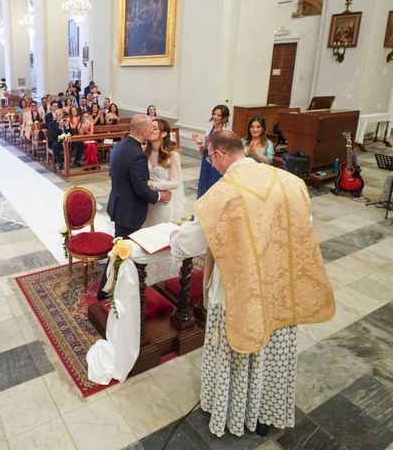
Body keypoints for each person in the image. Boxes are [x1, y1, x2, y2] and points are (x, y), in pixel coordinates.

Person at [169, 131, 335, 437]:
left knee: (239, 352)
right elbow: (304, 226)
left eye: (210, 158)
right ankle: (265, 412)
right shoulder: (289, 182)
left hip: (239, 293)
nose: (212, 164)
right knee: (273, 353)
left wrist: (173, 237)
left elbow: (192, 241)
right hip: (280, 287)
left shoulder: (223, 194)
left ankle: (233, 414)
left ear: (219, 154)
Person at [99, 114, 172, 299]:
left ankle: (117, 286)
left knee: (120, 246)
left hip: (118, 204)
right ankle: (105, 290)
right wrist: (158, 195)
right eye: (150, 128)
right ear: (144, 131)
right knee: (121, 251)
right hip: (129, 210)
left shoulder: (119, 146)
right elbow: (140, 189)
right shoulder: (137, 155)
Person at [142, 118, 185, 226]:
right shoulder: (144, 151)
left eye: (154, 128)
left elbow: (175, 183)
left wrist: (153, 184)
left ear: (164, 133)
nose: (150, 130)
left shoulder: (173, 155)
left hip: (164, 200)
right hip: (148, 199)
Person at [192, 104, 231, 198]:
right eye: (214, 114)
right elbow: (203, 152)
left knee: (215, 188)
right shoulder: (209, 130)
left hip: (218, 164)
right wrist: (201, 144)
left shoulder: (227, 133)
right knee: (203, 187)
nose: (215, 117)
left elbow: (227, 153)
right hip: (206, 162)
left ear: (224, 118)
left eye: (219, 115)